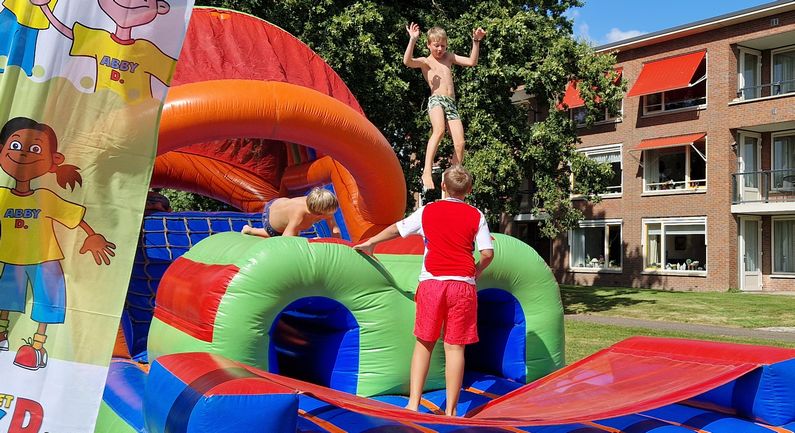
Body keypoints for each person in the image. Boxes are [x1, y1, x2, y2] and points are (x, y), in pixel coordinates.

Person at [354, 165, 494, 416]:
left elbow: (397, 228)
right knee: (455, 347)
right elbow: (487, 253)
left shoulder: (428, 211)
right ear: (469, 190)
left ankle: (413, 403)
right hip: (462, 285)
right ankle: (451, 411)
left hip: (432, 283)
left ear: (442, 186)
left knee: (424, 343)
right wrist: (476, 270)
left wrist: (370, 243)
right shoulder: (476, 215)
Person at [0, 117, 116, 370]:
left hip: (45, 259)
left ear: (55, 160)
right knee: (6, 297)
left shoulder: (45, 197)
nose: (24, 155)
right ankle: (2, 335)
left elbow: (73, 218)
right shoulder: (2, 195)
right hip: (11, 258)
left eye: (36, 149)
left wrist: (92, 236)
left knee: (47, 300)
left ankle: (38, 346)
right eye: (16, 146)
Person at [403, 23, 486, 192]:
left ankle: (452, 179)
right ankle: (426, 171)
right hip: (436, 100)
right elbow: (407, 61)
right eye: (436, 46)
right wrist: (412, 40)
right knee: (439, 130)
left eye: (443, 45)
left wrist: (476, 41)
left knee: (460, 143)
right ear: (428, 45)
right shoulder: (426, 61)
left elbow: (471, 61)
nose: (440, 49)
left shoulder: (449, 57)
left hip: (451, 103)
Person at [241, 187, 340, 238]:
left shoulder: (318, 202)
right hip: (270, 219)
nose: (330, 215)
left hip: (277, 203)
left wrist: (339, 244)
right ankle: (250, 230)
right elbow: (286, 240)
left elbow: (334, 228)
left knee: (296, 230)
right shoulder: (299, 216)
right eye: (328, 213)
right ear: (319, 212)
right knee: (279, 236)